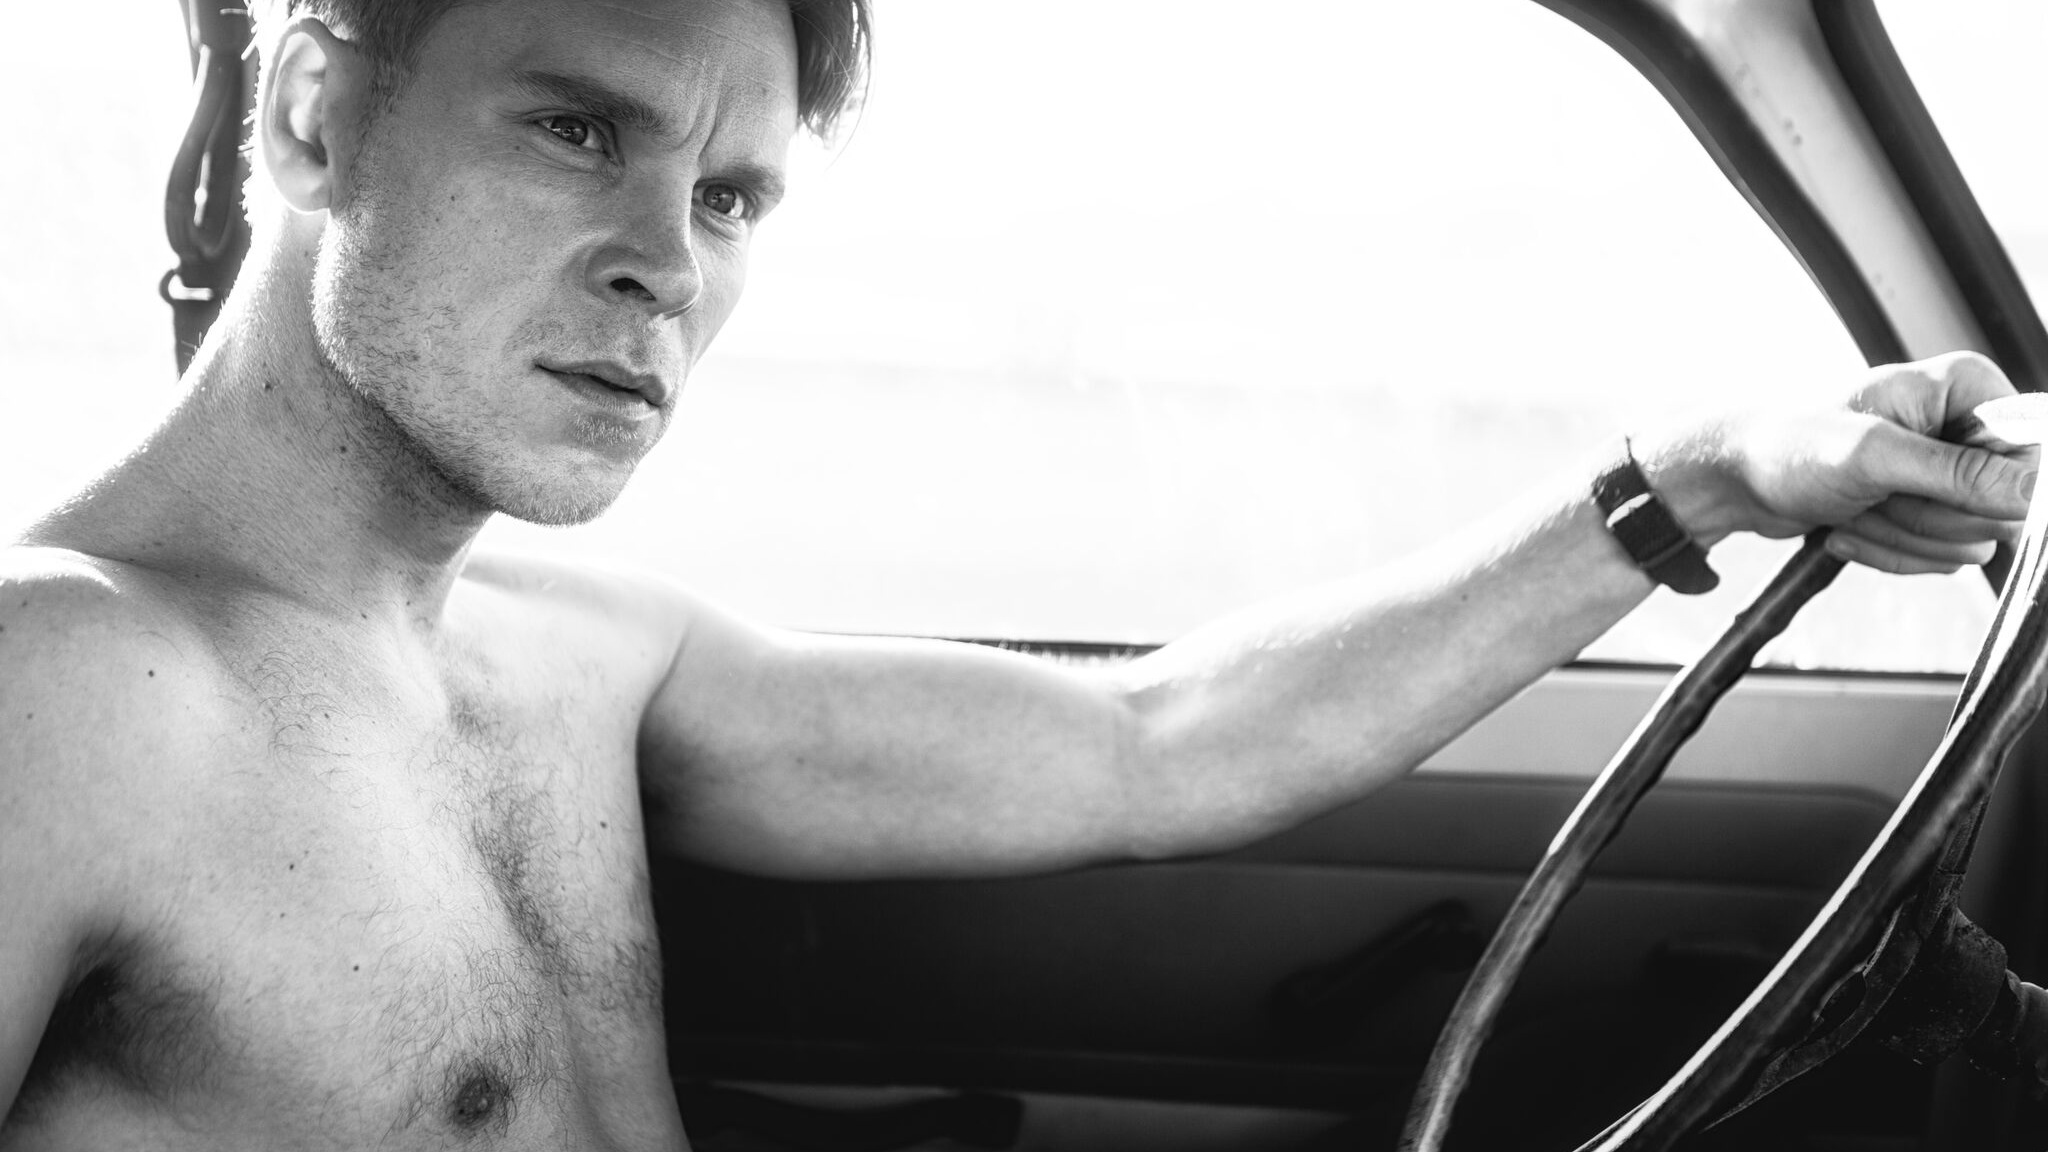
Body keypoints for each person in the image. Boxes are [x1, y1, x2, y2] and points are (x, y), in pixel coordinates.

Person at [0, 0, 2035, 1145]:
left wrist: (1695, 477)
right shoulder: (59, 693)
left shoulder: (571, 656)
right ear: (311, 116)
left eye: (731, 196)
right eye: (573, 130)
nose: (667, 267)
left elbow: (1159, 741)